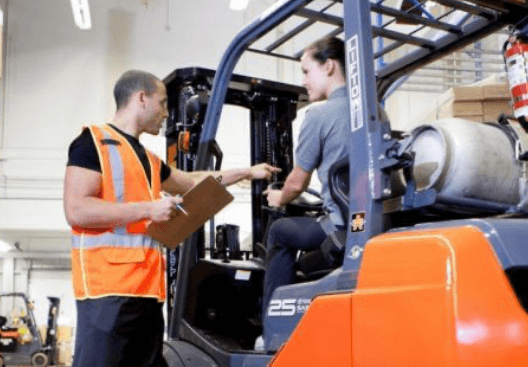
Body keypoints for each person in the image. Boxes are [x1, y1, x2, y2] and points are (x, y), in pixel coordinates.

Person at [63, 70, 280, 367]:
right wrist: (149, 209)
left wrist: (246, 172)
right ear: (141, 98)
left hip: (149, 295)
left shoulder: (149, 160)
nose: (166, 113)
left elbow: (192, 181)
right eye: (163, 103)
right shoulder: (92, 143)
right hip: (107, 293)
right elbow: (77, 210)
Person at [261, 36, 353, 334]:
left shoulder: (319, 115)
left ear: (327, 67)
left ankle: (271, 329)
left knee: (278, 232)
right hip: (365, 220)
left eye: (305, 71)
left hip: (338, 225)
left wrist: (279, 197)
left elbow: (298, 182)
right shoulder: (374, 111)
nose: (303, 81)